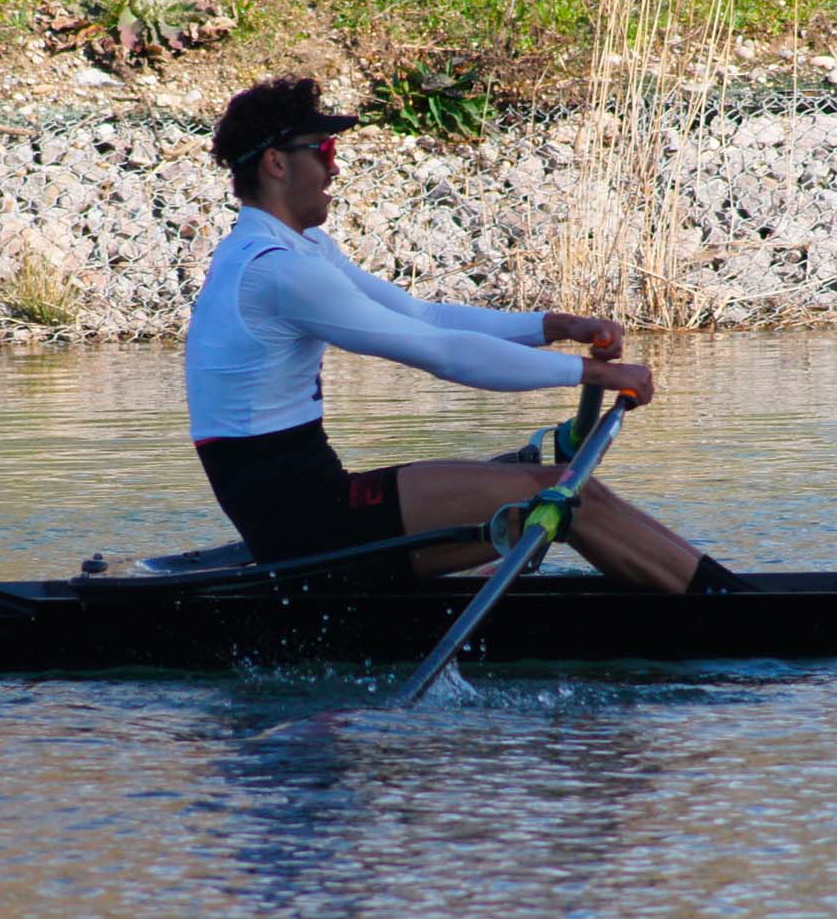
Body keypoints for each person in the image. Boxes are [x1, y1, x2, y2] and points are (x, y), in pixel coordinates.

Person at [188, 75, 754, 594]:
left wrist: (554, 326)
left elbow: (424, 316)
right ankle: (744, 617)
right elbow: (441, 353)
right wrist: (593, 372)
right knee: (564, 494)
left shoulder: (290, 249)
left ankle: (730, 600)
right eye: (325, 151)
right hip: (308, 532)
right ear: (276, 164)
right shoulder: (278, 271)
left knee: (542, 486)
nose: (335, 170)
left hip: (308, 506)